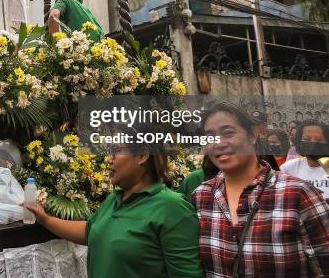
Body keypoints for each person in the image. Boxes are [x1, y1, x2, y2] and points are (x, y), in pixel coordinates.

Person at [27, 134, 203, 277]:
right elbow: (90, 231)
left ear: (142, 156)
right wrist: (45, 219)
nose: (109, 159)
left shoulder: (172, 207)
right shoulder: (114, 199)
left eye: (116, 151)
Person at [192, 102, 329, 277]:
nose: (218, 143)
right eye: (209, 137)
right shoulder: (201, 197)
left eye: (228, 133)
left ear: (253, 134)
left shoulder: (299, 194)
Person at [280, 120, 329, 200]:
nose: (313, 143)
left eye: (318, 139)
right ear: (299, 142)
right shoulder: (288, 168)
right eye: (307, 139)